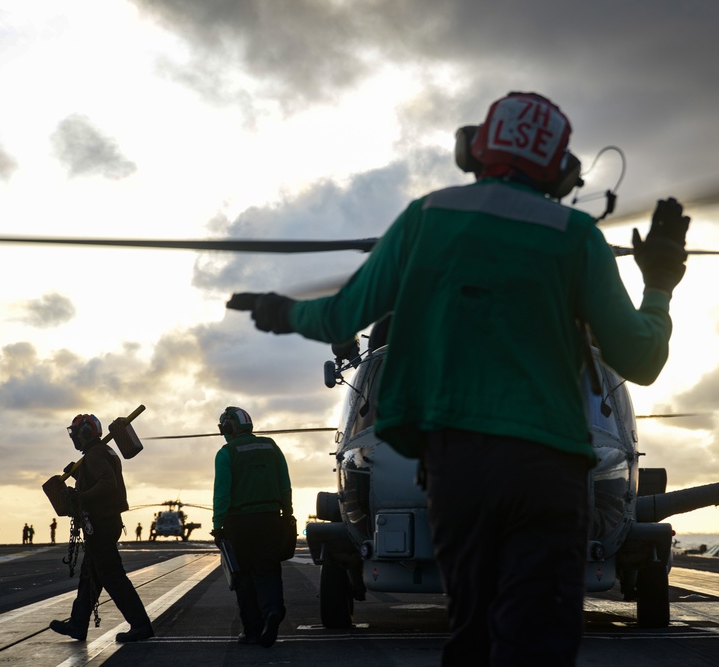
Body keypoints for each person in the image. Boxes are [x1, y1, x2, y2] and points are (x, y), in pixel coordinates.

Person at [228, 92, 689, 666]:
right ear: (563, 170)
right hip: (550, 472)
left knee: (472, 630)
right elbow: (641, 359)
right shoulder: (576, 236)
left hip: (458, 470)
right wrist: (661, 282)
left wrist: (278, 311)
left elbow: (341, 316)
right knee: (541, 639)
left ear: (473, 150)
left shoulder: (427, 218)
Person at [49, 413, 153, 643]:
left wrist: (81, 498)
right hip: (108, 522)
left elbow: (107, 483)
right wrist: (80, 474)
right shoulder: (103, 452)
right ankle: (78, 624)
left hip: (101, 524)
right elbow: (103, 478)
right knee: (90, 576)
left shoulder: (94, 455)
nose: (74, 438)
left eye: (76, 433)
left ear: (85, 434)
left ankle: (140, 625)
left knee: (113, 577)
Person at [211, 406, 292, 648]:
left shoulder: (226, 453)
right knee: (268, 569)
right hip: (270, 518)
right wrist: (287, 513)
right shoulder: (271, 447)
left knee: (242, 576)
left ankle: (252, 630)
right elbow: (285, 484)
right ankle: (273, 611)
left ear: (228, 428)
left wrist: (218, 525)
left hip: (239, 522)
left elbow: (222, 494)